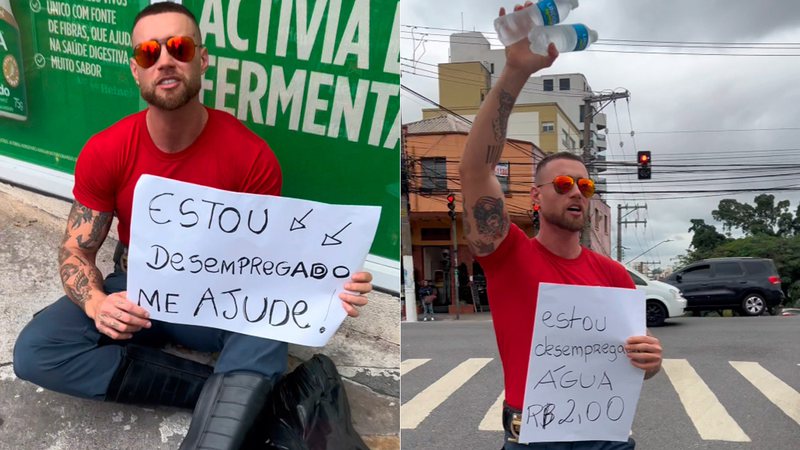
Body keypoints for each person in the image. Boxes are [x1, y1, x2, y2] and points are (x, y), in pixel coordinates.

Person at [12, 3, 373, 449]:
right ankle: (236, 397)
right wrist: (96, 303)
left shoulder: (250, 156)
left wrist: (326, 286)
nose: (164, 59)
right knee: (36, 352)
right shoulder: (107, 151)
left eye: (179, 47)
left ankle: (232, 406)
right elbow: (76, 251)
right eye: (149, 52)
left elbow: (273, 266)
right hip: (143, 293)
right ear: (136, 70)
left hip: (226, 300)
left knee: (267, 333)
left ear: (201, 60)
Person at [459, 3, 663, 449]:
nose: (577, 192)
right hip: (533, 438)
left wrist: (649, 360)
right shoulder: (507, 254)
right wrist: (514, 72)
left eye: (585, 185)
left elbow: (637, 362)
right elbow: (475, 170)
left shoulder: (612, 275)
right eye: (565, 183)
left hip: (609, 438)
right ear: (535, 196)